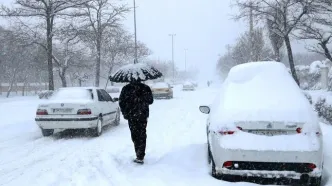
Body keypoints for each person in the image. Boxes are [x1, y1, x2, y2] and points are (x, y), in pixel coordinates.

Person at [119, 79, 154, 164]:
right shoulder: (145, 88)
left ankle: (138, 153)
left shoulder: (126, 88)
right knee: (142, 134)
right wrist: (142, 97)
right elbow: (150, 101)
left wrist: (125, 112)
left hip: (132, 116)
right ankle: (140, 155)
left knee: (134, 134)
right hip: (142, 115)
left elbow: (121, 102)